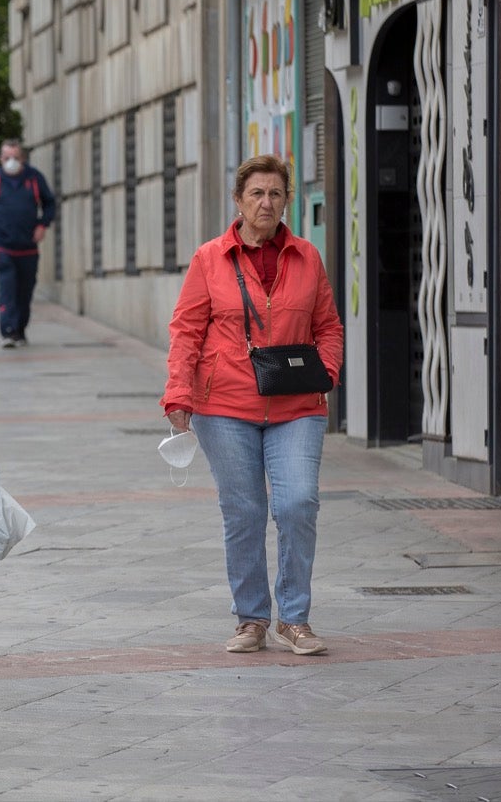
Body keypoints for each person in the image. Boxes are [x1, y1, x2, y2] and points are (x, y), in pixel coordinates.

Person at [160, 154, 343, 657]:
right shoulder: (209, 258)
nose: (267, 202)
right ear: (238, 201)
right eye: (257, 194)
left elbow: (328, 325)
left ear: (289, 200)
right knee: (243, 511)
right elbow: (187, 330)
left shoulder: (307, 257)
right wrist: (178, 393)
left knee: (297, 502)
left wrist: (327, 371)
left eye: (276, 194)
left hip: (297, 403)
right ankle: (252, 618)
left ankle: (296, 618)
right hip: (225, 406)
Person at [0, 139, 56, 348]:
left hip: (27, 246)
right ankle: (8, 331)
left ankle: (20, 329)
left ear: (23, 158)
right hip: (1, 244)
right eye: (7, 158)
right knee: (7, 288)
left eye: (16, 158)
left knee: (24, 291)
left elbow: (50, 203)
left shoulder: (34, 178)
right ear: (0, 159)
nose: (12, 162)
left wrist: (42, 225)